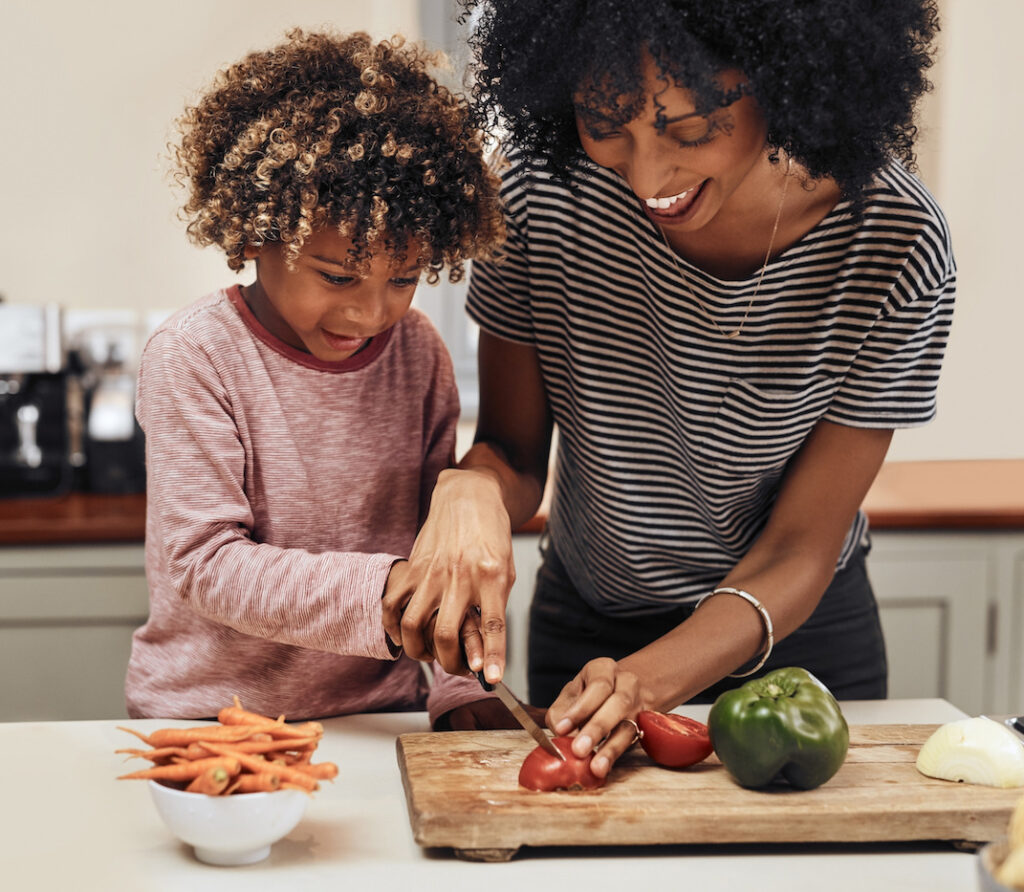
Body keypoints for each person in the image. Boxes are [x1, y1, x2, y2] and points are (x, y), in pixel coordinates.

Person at [383, 0, 955, 771]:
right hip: (587, 626)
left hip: (794, 642)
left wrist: (651, 680)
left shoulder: (893, 241)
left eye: (690, 130)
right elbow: (514, 453)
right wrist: (467, 490)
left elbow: (798, 548)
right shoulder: (539, 200)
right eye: (605, 124)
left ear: (786, 83)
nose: (648, 177)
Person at [124, 29, 509, 727]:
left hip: (379, 716)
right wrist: (392, 594)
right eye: (336, 276)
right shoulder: (194, 355)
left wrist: (461, 692)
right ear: (251, 234)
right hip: (211, 720)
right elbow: (205, 565)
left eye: (403, 280)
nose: (368, 313)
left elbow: (438, 552)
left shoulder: (416, 354)